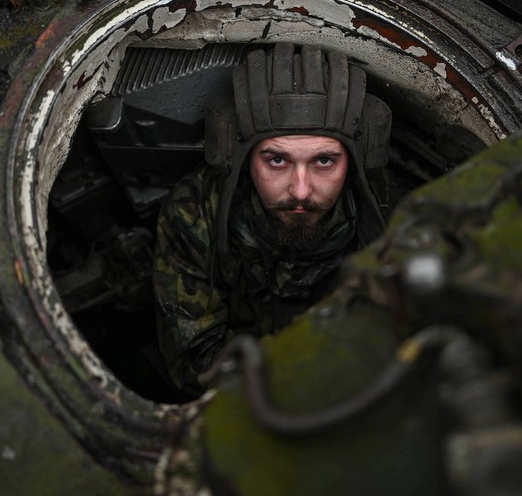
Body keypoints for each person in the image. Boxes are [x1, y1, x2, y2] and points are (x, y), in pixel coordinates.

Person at [153, 43, 397, 395]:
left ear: (354, 161)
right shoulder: (197, 212)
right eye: (277, 161)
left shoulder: (389, 212)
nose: (300, 190)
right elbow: (195, 362)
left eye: (324, 161)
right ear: (243, 157)